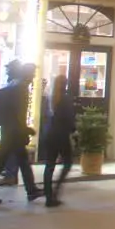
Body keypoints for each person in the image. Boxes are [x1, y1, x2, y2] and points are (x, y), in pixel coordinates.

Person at [0, 62, 40, 205]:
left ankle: (31, 190)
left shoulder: (15, 86)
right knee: (1, 162)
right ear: (26, 74)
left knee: (20, 161)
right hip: (13, 132)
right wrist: (26, 129)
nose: (33, 77)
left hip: (10, 130)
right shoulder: (21, 89)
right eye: (32, 74)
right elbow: (18, 113)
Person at [43, 73, 77, 207]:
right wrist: (74, 131)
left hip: (49, 134)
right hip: (61, 136)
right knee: (67, 163)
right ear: (65, 84)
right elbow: (69, 119)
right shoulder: (66, 99)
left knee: (49, 166)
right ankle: (56, 191)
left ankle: (48, 196)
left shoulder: (49, 98)